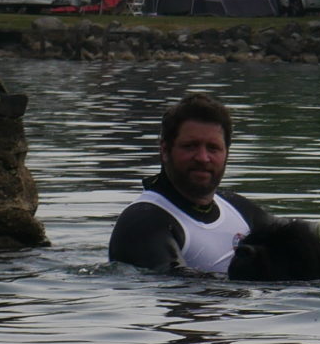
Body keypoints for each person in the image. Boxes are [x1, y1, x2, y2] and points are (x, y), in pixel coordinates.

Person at [109, 94, 277, 273]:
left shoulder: (240, 210)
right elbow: (178, 288)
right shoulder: (143, 222)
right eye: (190, 146)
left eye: (213, 148)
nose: (203, 158)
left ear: (226, 153)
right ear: (165, 150)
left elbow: (301, 248)